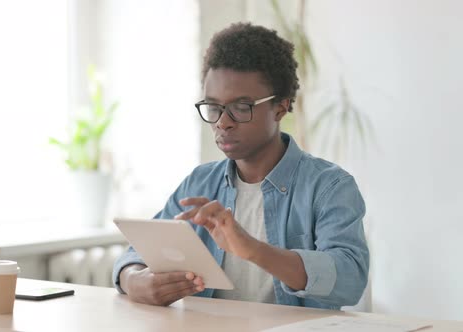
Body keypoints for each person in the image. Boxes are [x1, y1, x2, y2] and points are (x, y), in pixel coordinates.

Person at [112, 22, 369, 310]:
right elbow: (135, 255)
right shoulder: (199, 183)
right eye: (213, 106)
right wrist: (135, 281)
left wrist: (254, 250)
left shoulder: (328, 186)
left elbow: (350, 280)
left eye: (241, 107)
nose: (223, 121)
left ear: (281, 108)